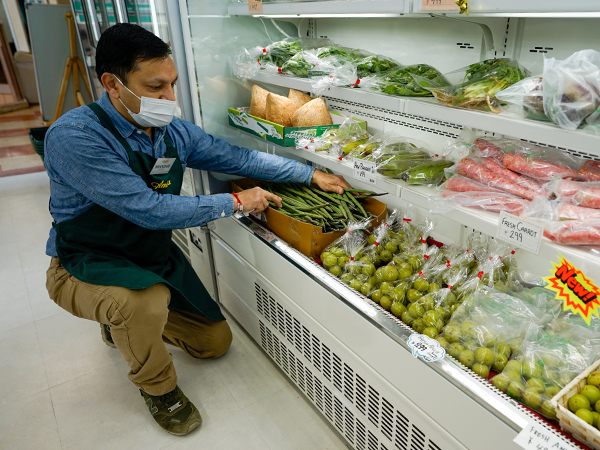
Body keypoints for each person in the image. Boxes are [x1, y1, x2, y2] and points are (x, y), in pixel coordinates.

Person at [44, 23, 351, 436]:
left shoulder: (172, 132)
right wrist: (235, 202)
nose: (170, 99)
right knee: (141, 304)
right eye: (155, 88)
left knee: (213, 344)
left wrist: (308, 174)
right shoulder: (76, 137)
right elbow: (149, 210)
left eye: (172, 84)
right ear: (112, 84)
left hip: (150, 256)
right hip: (86, 261)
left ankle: (122, 324)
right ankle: (158, 389)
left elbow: (234, 158)